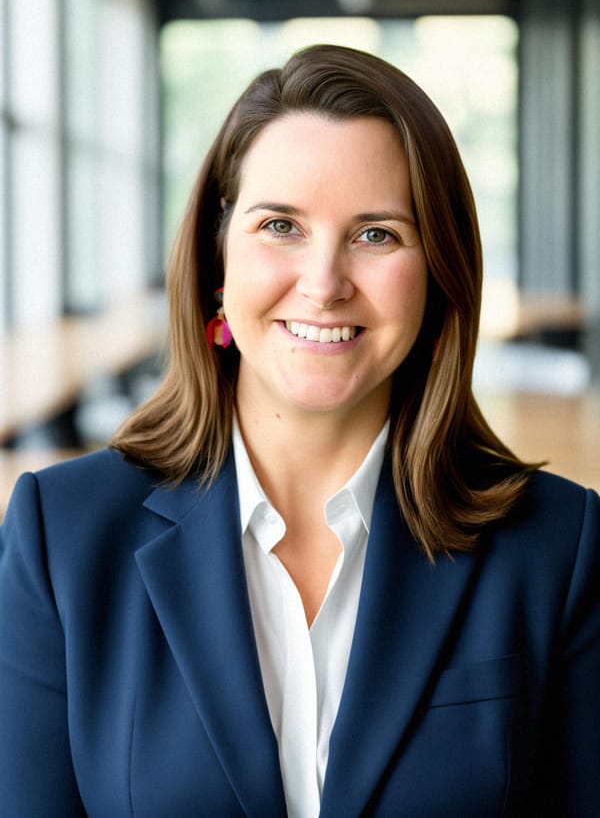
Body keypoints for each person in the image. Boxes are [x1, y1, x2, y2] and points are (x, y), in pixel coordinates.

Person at [0, 44, 598, 818]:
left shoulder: (559, 547)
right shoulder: (64, 539)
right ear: (220, 255)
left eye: (376, 234)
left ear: (441, 269)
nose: (323, 283)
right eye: (280, 224)